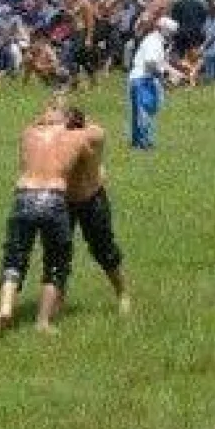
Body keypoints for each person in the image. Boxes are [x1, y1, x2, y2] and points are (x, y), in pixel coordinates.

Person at [0, 101, 93, 335]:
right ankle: (43, 321)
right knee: (56, 262)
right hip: (54, 199)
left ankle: (5, 308)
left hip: (25, 196)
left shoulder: (28, 133)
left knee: (14, 256)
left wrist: (43, 119)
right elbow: (95, 138)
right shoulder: (77, 138)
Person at [62, 104, 131, 316]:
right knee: (59, 250)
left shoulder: (92, 136)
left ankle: (123, 294)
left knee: (104, 248)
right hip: (63, 200)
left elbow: (95, 130)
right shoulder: (56, 139)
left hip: (91, 199)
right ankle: (57, 299)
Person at [127, 16, 182, 149]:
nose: (172, 35)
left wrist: (175, 72)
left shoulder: (158, 41)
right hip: (142, 79)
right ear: (162, 29)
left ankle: (139, 142)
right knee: (144, 112)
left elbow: (160, 63)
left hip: (142, 79)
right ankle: (144, 143)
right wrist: (166, 75)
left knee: (144, 111)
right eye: (171, 32)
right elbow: (150, 63)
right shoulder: (154, 41)